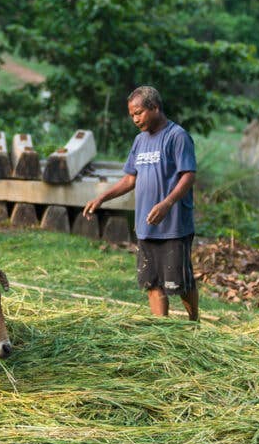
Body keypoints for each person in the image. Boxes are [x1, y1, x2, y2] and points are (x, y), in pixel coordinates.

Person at [83, 85, 199, 321]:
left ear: (155, 107)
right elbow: (129, 179)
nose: (135, 119)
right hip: (146, 224)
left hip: (174, 225)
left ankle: (193, 321)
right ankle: (161, 328)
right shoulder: (140, 141)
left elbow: (188, 175)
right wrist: (102, 197)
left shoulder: (177, 136)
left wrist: (167, 203)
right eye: (132, 115)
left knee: (180, 281)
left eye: (139, 113)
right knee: (152, 281)